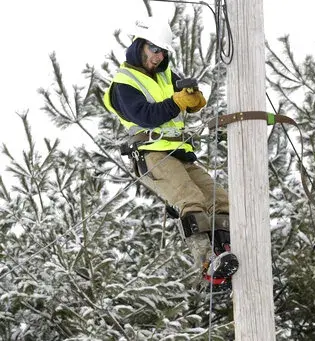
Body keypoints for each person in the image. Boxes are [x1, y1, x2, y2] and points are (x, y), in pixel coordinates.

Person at [102, 17, 238, 289]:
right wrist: (177, 101)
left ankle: (228, 247)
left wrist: (193, 98)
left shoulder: (166, 74)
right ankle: (207, 261)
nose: (158, 56)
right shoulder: (124, 83)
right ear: (139, 46)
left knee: (220, 199)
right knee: (190, 199)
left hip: (179, 152)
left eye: (162, 51)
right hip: (153, 154)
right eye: (154, 49)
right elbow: (146, 115)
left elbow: (187, 102)